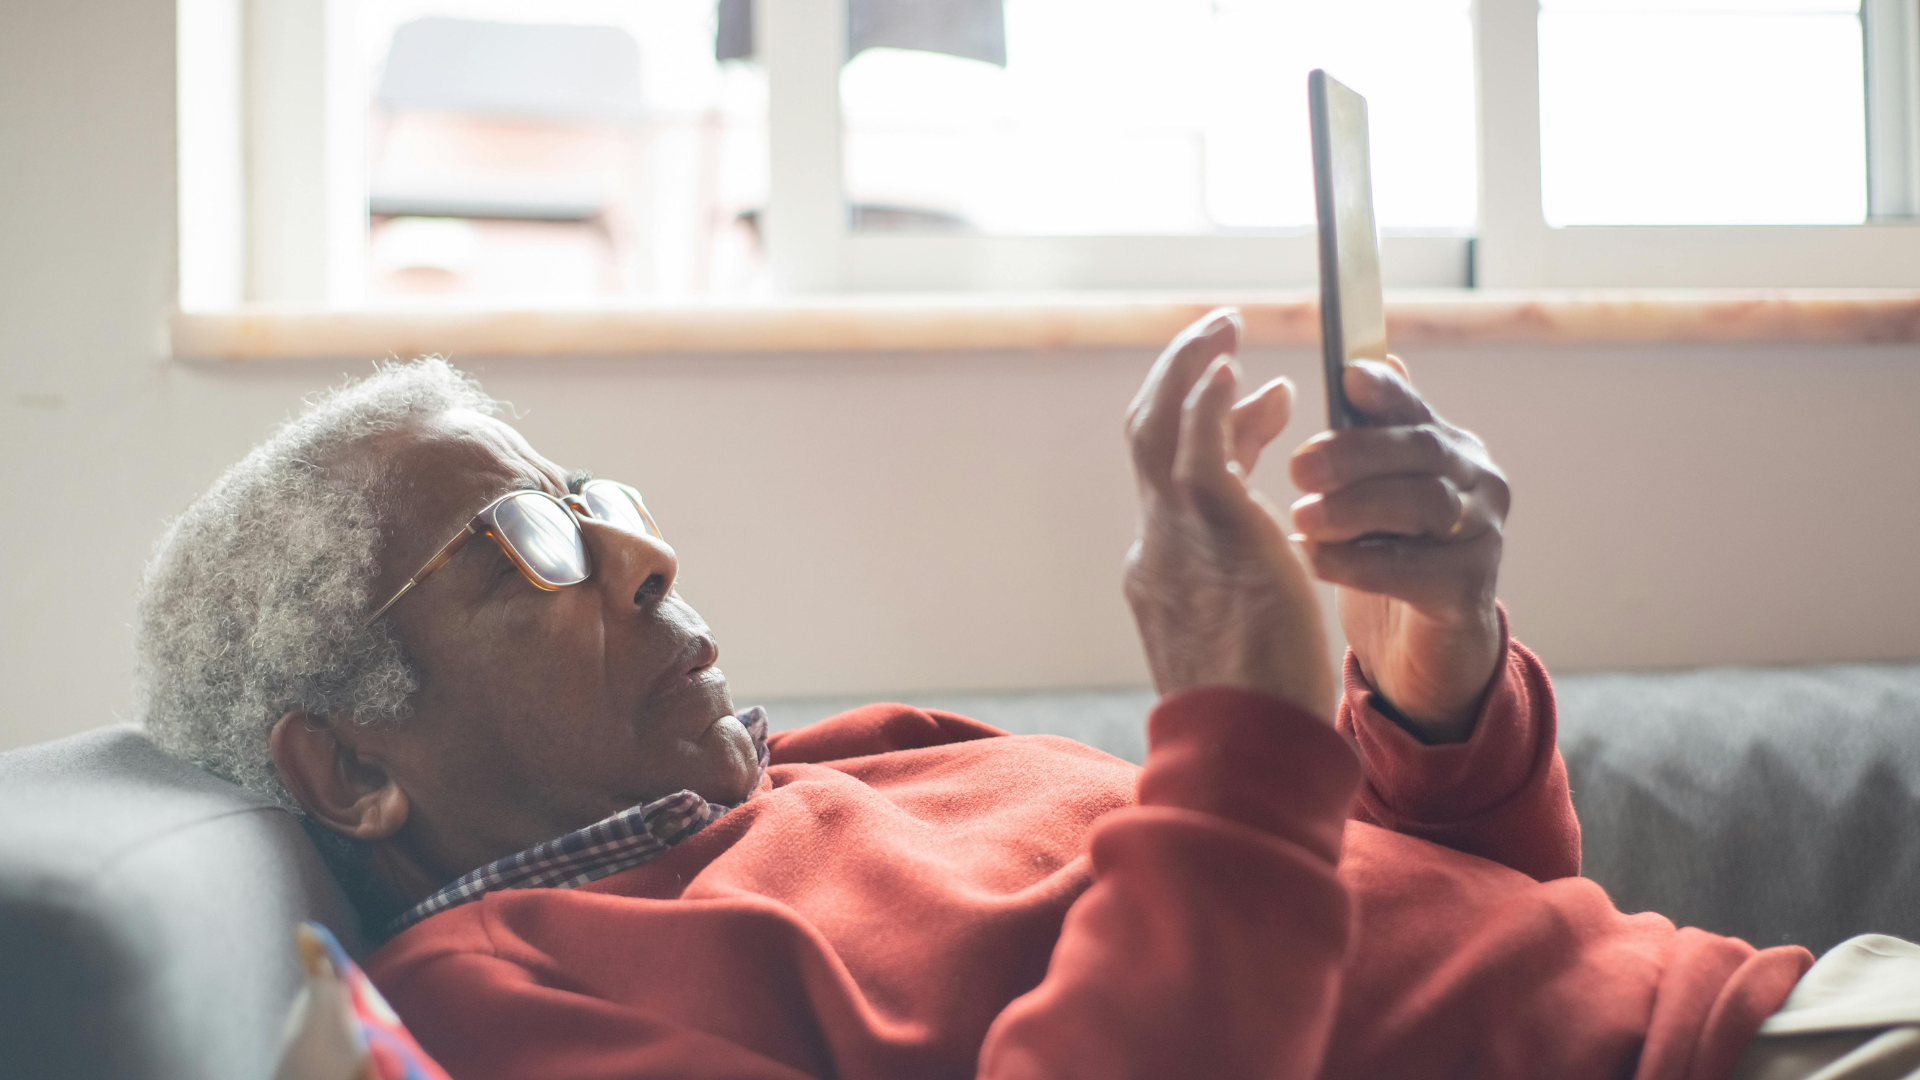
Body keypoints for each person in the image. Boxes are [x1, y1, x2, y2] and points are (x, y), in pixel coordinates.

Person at [136, 311, 1917, 1079]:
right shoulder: (511, 1005)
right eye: (522, 541)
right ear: (355, 765)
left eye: (598, 500)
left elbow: (1434, 930)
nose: (642, 558)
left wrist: (1428, 675)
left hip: (1771, 1003)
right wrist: (1239, 736)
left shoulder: (858, 756)